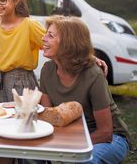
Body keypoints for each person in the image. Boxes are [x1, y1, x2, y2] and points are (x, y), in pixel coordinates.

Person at [40, 15, 131, 164]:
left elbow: (105, 132)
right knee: (31, 154)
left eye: (50, 35)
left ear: (68, 43)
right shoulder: (46, 70)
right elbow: (48, 117)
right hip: (71, 134)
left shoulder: (93, 74)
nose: (43, 38)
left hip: (111, 138)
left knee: (85, 160)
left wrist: (67, 146)